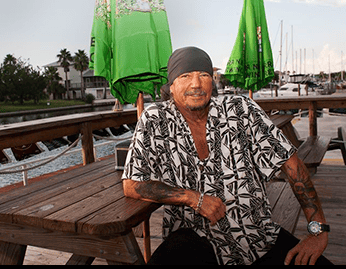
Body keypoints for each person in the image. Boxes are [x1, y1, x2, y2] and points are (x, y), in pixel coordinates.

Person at [122, 46, 332, 265]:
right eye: (185, 76)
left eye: (204, 75)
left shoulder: (241, 109)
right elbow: (132, 183)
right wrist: (193, 198)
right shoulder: (156, 119)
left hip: (257, 239)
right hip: (192, 240)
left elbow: (292, 165)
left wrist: (318, 229)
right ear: (172, 86)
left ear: (212, 83)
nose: (196, 84)